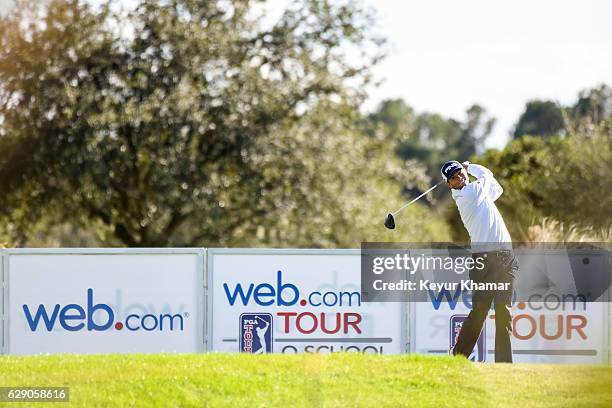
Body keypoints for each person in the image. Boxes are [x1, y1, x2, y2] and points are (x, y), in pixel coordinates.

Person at [441, 160, 519, 363]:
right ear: (449, 185)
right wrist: (470, 166)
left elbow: (496, 189)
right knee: (480, 311)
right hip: (484, 261)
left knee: (504, 311)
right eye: (454, 177)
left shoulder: (477, 193)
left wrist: (470, 171)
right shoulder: (467, 195)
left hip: (505, 258)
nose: (460, 177)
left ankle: (504, 364)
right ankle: (458, 356)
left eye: (460, 173)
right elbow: (487, 175)